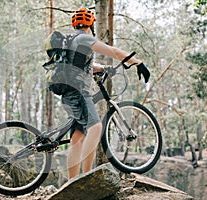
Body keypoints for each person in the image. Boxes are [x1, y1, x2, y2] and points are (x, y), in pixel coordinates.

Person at [64, 8, 150, 179]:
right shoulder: (85, 38)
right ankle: (86, 179)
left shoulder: (71, 40)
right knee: (96, 128)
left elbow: (86, 66)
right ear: (91, 24)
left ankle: (72, 183)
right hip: (79, 92)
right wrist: (137, 62)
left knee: (77, 138)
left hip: (68, 91)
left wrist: (104, 69)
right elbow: (114, 51)